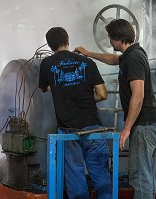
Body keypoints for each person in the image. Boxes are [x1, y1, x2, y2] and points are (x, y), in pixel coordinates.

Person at [74, 19, 156, 199]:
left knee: (140, 177)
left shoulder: (135, 58)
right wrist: (88, 53)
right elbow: (114, 59)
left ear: (117, 38)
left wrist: (126, 129)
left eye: (110, 38)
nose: (108, 41)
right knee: (146, 176)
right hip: (149, 123)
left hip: (144, 124)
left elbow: (138, 97)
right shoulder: (131, 54)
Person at [39, 27, 112, 199]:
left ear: (50, 46)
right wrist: (85, 98)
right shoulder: (87, 62)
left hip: (68, 130)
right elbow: (102, 94)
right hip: (94, 128)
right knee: (102, 179)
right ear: (68, 39)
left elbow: (44, 88)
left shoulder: (47, 64)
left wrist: (62, 92)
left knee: (75, 179)